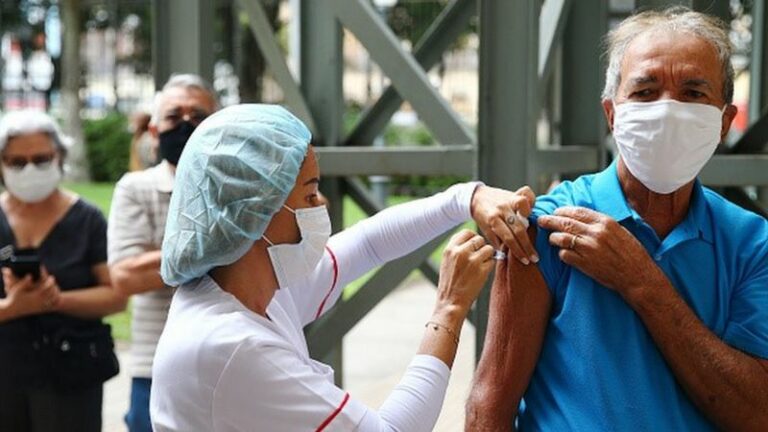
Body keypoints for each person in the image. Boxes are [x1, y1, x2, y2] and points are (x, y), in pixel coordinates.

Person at [465, 7, 768, 431]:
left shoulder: (753, 244)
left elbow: (757, 413)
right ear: (612, 113)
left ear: (722, 123)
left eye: (693, 93)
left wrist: (640, 279)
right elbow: (489, 406)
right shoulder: (550, 226)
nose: (667, 111)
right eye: (645, 92)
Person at [149, 104, 538, 431]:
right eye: (309, 193)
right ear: (256, 213)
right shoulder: (233, 348)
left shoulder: (251, 291)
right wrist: (449, 309)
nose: (323, 205)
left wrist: (466, 198)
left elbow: (368, 243)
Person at [0, 110, 126, 432]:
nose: (30, 169)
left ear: (60, 157)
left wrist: (56, 300)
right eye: (17, 162)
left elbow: (115, 295)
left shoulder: (87, 219)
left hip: (71, 373)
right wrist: (12, 308)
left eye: (41, 159)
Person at [107, 74, 218, 432]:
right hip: (155, 365)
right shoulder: (136, 188)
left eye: (198, 116)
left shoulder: (234, 186)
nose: (187, 125)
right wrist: (221, 243)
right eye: (174, 116)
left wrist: (165, 257)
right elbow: (125, 276)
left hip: (228, 357)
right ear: (154, 131)